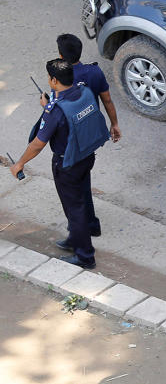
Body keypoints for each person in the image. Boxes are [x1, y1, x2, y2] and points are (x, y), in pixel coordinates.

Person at [9, 59, 110, 268]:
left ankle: (85, 256)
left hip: (67, 165)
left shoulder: (55, 110)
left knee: (75, 209)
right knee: (81, 198)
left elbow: (38, 144)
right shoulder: (84, 92)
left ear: (53, 80)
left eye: (49, 78)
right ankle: (75, 238)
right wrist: (48, 107)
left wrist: (19, 163)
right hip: (86, 156)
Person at [56, 33, 121, 143]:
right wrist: (114, 124)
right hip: (92, 128)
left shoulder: (60, 79)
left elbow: (58, 111)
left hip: (72, 134)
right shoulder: (95, 72)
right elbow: (107, 100)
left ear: (61, 55)